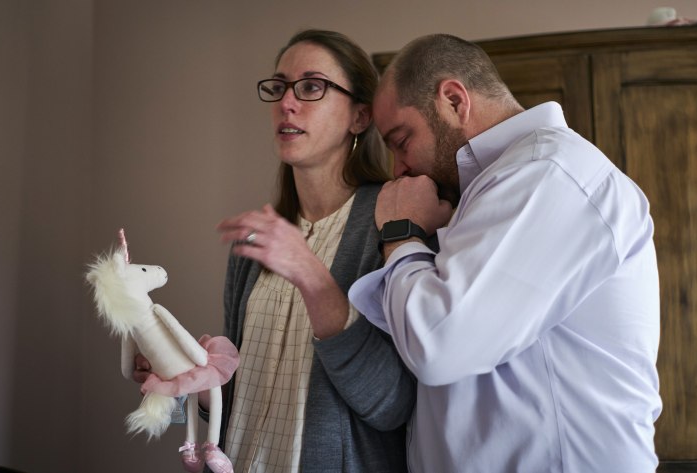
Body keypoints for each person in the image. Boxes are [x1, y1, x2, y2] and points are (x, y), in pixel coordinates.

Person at [348, 34, 662, 472]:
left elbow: (439, 343)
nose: (398, 168)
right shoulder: (490, 189)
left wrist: (401, 233)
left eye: (401, 141)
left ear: (454, 101)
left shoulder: (549, 175)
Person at [135, 29, 414, 473]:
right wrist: (186, 375)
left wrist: (309, 272)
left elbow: (391, 404)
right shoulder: (257, 237)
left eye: (311, 87)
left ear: (359, 117)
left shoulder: (394, 224)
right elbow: (236, 395)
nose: (286, 102)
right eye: (279, 86)